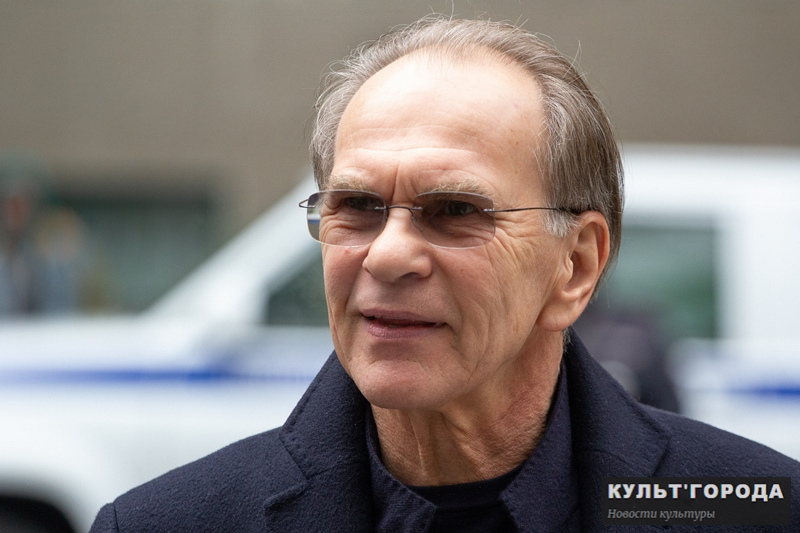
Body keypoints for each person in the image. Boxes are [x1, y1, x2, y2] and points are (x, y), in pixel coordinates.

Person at [91, 16, 800, 531]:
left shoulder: (758, 511)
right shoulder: (166, 522)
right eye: (357, 206)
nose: (387, 254)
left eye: (456, 210)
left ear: (575, 265)